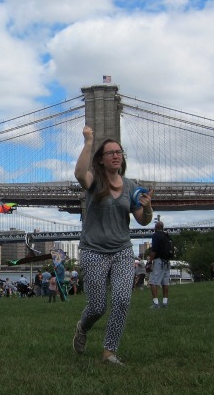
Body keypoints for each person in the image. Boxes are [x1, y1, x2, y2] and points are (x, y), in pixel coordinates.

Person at [72, 126, 154, 366]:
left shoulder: (131, 186)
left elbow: (142, 219)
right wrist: (88, 141)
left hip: (122, 251)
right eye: (110, 152)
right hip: (94, 250)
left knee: (122, 300)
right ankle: (82, 327)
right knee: (97, 306)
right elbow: (79, 174)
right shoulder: (94, 181)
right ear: (101, 158)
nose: (116, 155)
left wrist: (148, 206)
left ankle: (109, 351)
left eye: (119, 152)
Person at [149, 221, 172, 309]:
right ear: (162, 227)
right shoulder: (166, 235)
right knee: (165, 283)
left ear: (156, 227)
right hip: (167, 261)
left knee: (153, 282)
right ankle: (165, 303)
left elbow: (154, 250)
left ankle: (155, 304)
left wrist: (150, 261)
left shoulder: (156, 235)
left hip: (159, 261)